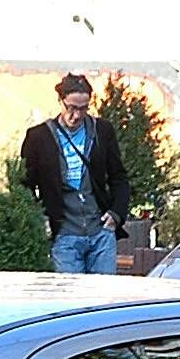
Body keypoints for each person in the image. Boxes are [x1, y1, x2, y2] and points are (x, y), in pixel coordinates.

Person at [20, 72, 130, 276]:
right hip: (64, 234)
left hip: (101, 231)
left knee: (104, 297)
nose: (77, 115)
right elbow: (24, 185)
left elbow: (119, 177)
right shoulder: (39, 137)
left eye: (83, 108)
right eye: (71, 107)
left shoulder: (102, 130)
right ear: (60, 101)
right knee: (72, 296)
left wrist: (116, 214)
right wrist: (40, 219)